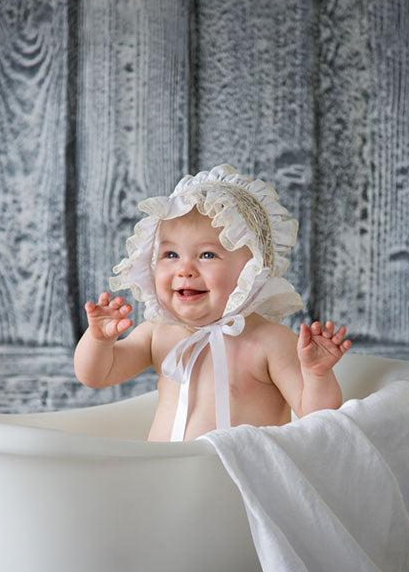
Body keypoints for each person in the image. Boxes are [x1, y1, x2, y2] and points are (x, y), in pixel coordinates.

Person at [74, 165, 351, 442]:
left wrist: (316, 375)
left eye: (207, 255)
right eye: (171, 254)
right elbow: (97, 375)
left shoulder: (269, 341)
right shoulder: (159, 333)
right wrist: (99, 340)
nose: (185, 269)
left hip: (235, 479)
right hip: (163, 476)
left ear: (254, 268)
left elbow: (319, 418)